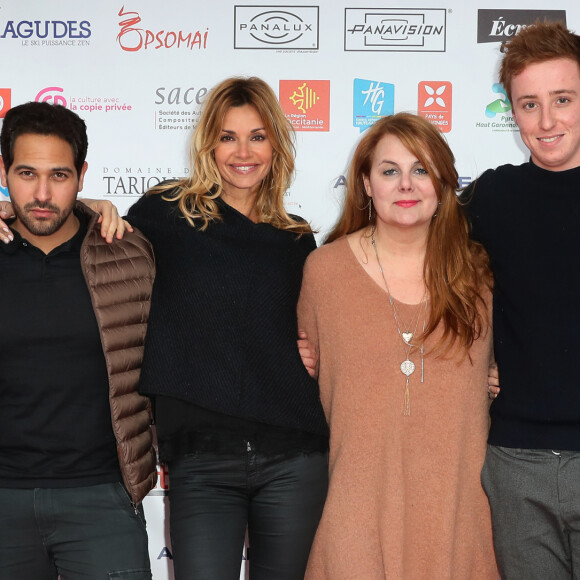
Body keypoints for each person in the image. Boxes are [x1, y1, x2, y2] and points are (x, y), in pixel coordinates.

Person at [120, 77, 328, 579]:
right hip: (201, 459)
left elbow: (320, 326)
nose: (243, 152)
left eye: (257, 136)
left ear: (276, 144)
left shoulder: (296, 237)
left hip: (293, 455)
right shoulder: (166, 213)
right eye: (227, 136)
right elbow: (100, 253)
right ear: (208, 144)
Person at [298, 112, 498, 579]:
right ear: (366, 184)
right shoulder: (324, 273)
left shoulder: (480, 275)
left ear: (443, 182)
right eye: (389, 171)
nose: (406, 184)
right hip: (358, 514)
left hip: (459, 516)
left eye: (421, 169)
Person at [0, 102, 156, 579]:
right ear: (4, 170)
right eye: (26, 173)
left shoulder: (127, 253)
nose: (42, 193)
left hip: (102, 497)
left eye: (60, 175)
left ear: (83, 175)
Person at [461, 21, 580, 579]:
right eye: (529, 104)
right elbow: (400, 250)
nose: (547, 120)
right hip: (516, 460)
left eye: (563, 99)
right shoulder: (493, 196)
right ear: (511, 112)